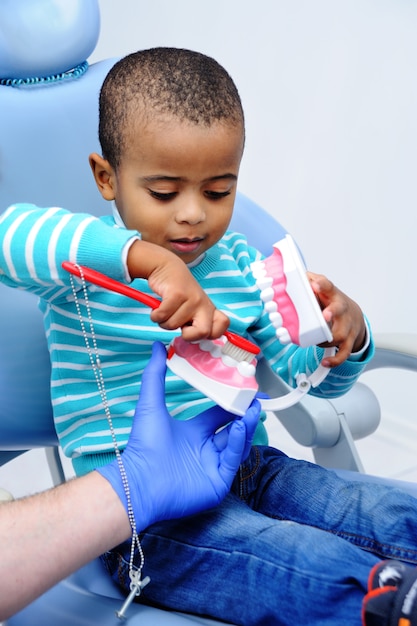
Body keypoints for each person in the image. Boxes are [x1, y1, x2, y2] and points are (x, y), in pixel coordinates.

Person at [1, 47, 417, 626]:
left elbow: (308, 383)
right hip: (139, 515)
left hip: (251, 466)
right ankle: (391, 604)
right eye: (165, 193)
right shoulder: (87, 265)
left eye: (218, 191)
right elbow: (10, 234)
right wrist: (146, 261)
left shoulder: (242, 269)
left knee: (380, 510)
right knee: (288, 559)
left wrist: (343, 338)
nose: (193, 214)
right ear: (106, 177)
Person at [0, 342, 260, 621]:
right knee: (305, 563)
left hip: (250, 463)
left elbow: (292, 363)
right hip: (146, 520)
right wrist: (134, 485)